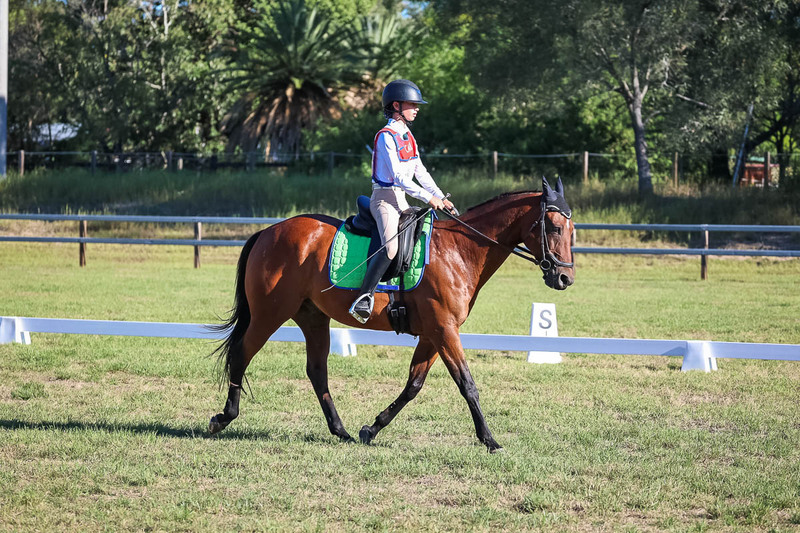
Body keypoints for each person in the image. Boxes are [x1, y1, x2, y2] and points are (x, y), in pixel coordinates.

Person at [348, 79, 455, 324]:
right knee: (390, 248)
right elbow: (398, 177)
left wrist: (440, 196)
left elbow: (420, 171)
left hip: (402, 200)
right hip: (384, 200)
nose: (416, 109)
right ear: (396, 106)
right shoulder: (385, 137)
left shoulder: (408, 135)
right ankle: (364, 297)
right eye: (412, 104)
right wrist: (428, 197)